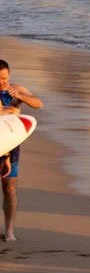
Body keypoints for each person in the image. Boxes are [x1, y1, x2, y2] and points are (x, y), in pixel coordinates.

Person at [0, 60, 44, 243]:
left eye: (4, 78)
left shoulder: (16, 89)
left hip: (11, 144)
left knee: (9, 188)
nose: (2, 82)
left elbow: (38, 104)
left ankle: (9, 231)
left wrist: (20, 96)